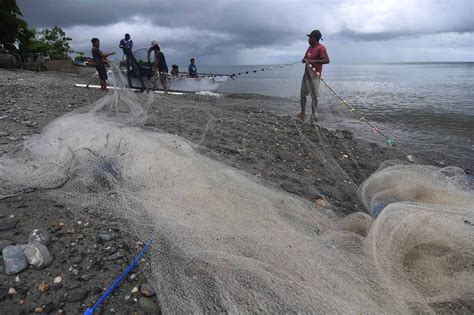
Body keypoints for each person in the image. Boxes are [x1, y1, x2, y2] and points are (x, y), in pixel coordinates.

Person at [298, 30, 330, 121]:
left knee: (314, 96)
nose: (308, 39)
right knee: (302, 94)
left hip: (315, 76)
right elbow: (305, 58)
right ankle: (302, 112)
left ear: (315, 39)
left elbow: (327, 60)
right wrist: (304, 60)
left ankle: (313, 114)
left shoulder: (321, 48)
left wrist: (314, 61)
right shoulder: (309, 48)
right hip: (306, 75)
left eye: (310, 37)